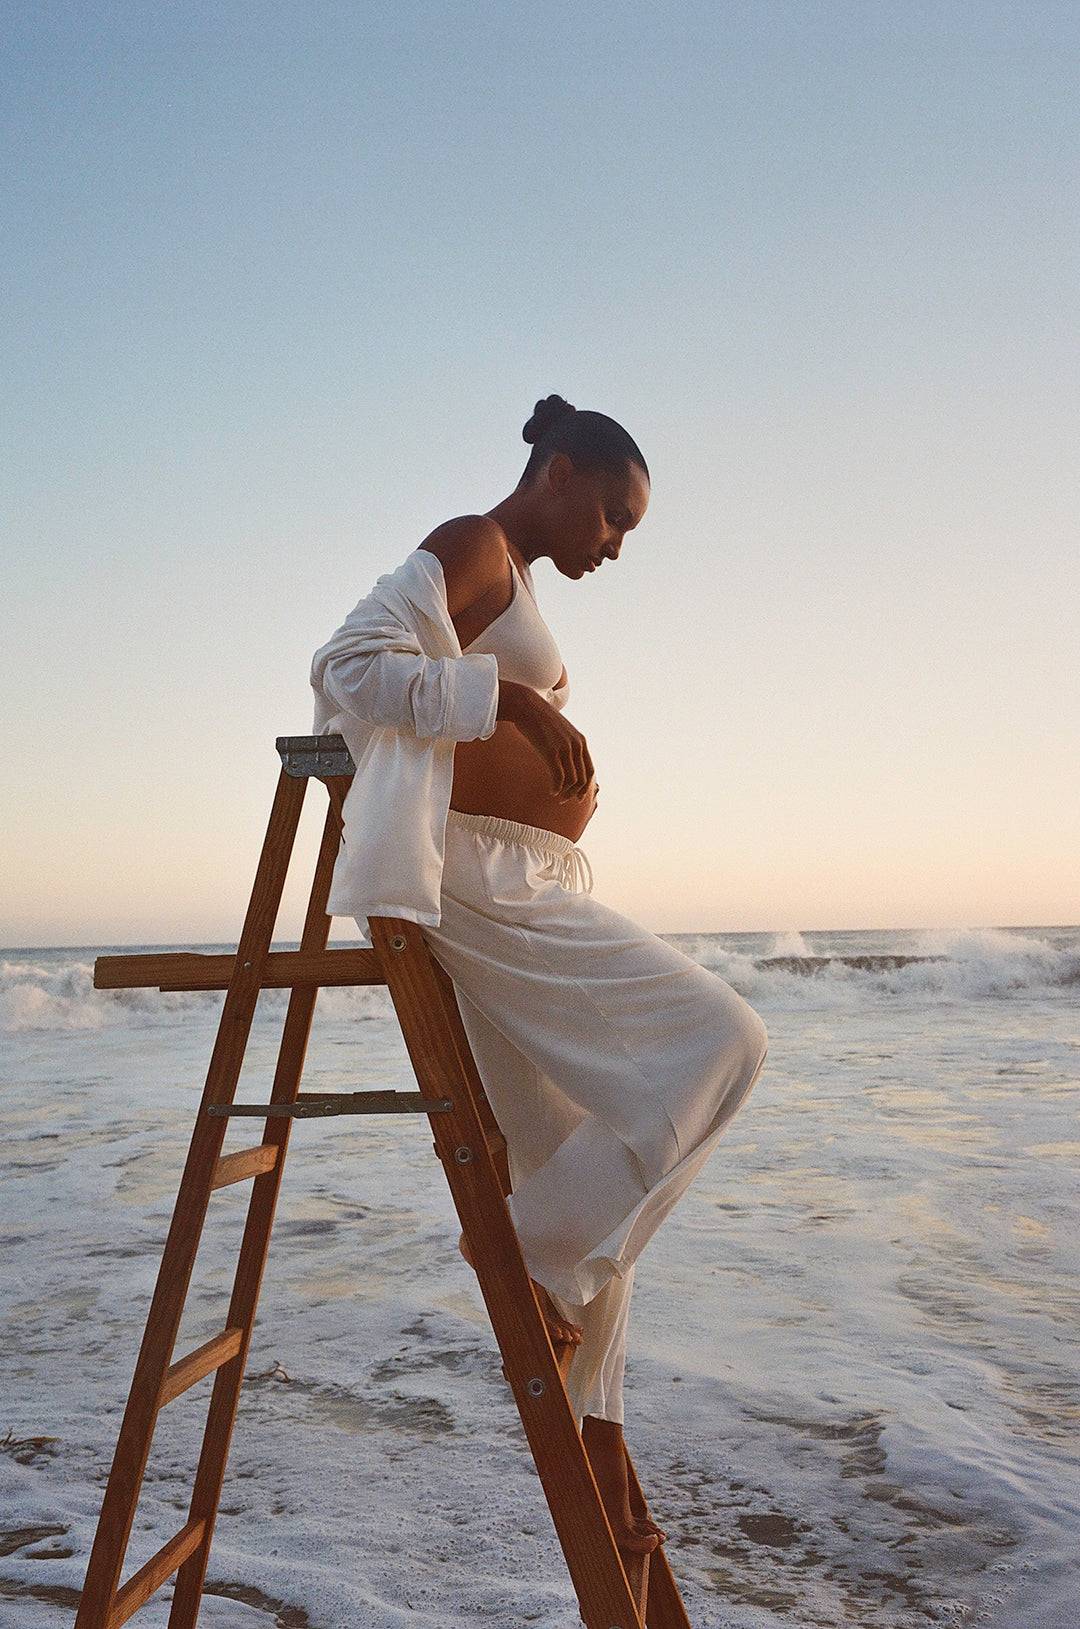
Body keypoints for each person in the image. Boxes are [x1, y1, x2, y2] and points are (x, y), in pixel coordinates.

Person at [310, 395, 767, 1553]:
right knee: (727, 1042)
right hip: (482, 887)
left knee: (584, 1151)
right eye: (613, 516)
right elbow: (346, 667)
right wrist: (504, 695)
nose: (615, 544)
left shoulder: (513, 574)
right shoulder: (475, 542)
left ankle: (600, 1431)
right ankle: (535, 1258)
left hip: (534, 884)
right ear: (558, 473)